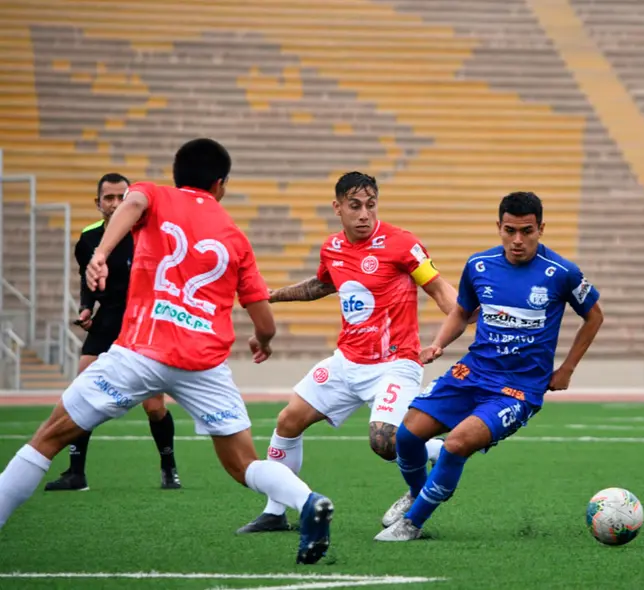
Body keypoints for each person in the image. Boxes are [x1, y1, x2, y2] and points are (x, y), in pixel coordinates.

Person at [0, 138, 333, 564]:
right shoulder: (235, 238)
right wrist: (262, 341)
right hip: (204, 365)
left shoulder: (153, 194)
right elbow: (264, 320)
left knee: (48, 438)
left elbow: (132, 204)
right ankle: (308, 501)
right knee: (243, 464)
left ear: (177, 175)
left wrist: (100, 253)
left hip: (141, 350)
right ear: (220, 185)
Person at [375, 190, 604, 542]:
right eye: (510, 230)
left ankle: (413, 523)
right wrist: (438, 344)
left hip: (518, 388)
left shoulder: (562, 273)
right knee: (405, 436)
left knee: (456, 444)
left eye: (526, 231)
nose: (517, 240)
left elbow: (594, 316)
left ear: (541, 228)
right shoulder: (479, 266)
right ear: (498, 227)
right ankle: (418, 493)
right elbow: (462, 312)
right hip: (472, 373)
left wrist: (567, 369)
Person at [237, 171, 456, 534]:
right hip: (347, 361)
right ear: (337, 208)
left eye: (370, 206)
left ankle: (446, 452)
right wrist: (272, 295)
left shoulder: (402, 244)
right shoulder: (332, 248)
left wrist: (458, 328)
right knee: (288, 421)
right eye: (355, 206)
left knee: (384, 442)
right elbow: (320, 285)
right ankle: (276, 511)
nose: (364, 214)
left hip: (395, 363)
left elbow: (440, 290)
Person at [44, 172, 181, 492]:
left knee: (155, 407)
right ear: (98, 203)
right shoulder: (89, 239)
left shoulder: (147, 233)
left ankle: (168, 467)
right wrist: (86, 307)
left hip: (144, 321)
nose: (116, 203)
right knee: (79, 392)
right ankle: (76, 473)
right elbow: (87, 279)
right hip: (109, 320)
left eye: (123, 197)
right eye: (109, 198)